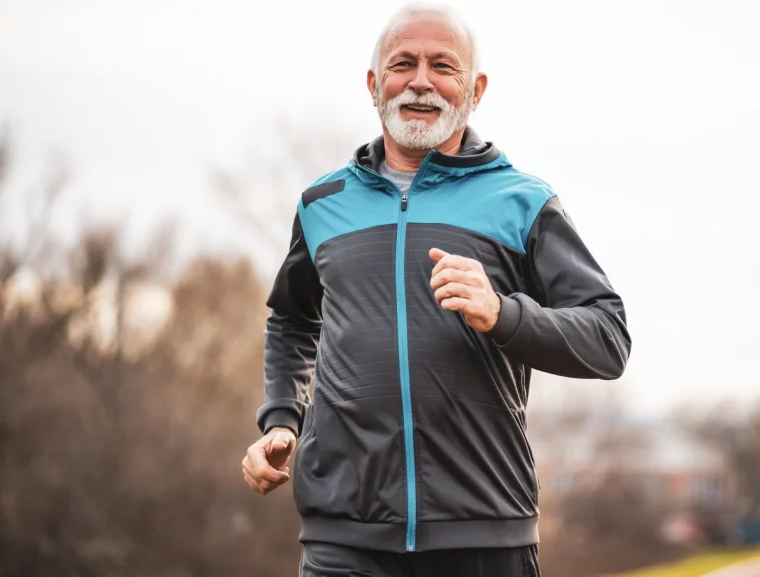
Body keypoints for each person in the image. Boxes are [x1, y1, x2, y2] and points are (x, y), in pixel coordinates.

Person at [241, 3, 631, 576]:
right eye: (403, 64)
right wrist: (281, 418)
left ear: (476, 90)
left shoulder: (523, 202)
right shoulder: (322, 204)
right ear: (374, 84)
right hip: (342, 536)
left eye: (443, 66)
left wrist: (502, 314)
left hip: (483, 532)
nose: (421, 81)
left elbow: (608, 337)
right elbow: (292, 320)